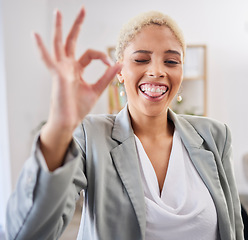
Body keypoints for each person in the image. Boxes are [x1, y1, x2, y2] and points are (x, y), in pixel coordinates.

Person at [6, 6, 244, 240]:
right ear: (119, 70)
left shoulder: (215, 136)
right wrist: (59, 126)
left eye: (171, 62)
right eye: (141, 59)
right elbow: (29, 233)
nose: (157, 71)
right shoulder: (91, 136)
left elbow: (234, 227)